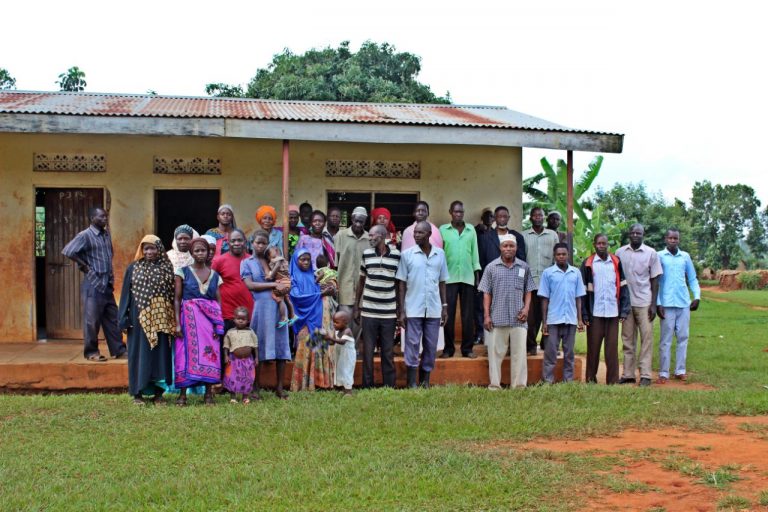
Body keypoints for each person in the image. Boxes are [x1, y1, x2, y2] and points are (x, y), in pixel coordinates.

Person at [61, 206, 127, 361]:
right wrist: (83, 265)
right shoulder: (85, 235)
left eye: (106, 216)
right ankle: (91, 352)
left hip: (106, 283)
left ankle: (119, 350)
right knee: (92, 321)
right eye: (101, 217)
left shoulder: (106, 235)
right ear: (92, 218)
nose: (105, 219)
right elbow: (68, 251)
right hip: (93, 284)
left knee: (113, 319)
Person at [118, 235, 175, 405]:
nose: (149, 252)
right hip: (138, 319)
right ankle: (137, 394)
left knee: (160, 356)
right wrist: (123, 318)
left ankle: (158, 394)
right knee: (139, 355)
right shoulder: (133, 268)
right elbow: (125, 295)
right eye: (146, 248)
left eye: (153, 248)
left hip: (161, 319)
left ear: (160, 249)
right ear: (141, 250)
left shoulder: (167, 268)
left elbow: (172, 296)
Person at [396, 221, 449, 389]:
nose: (415, 235)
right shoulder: (407, 255)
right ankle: (411, 382)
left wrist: (445, 306)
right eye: (415, 232)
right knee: (412, 344)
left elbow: (442, 282)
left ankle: (425, 381)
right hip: (413, 308)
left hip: (433, 308)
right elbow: (402, 284)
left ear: (428, 234)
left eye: (420, 233)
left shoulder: (440, 254)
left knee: (431, 345)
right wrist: (402, 310)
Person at [173, 237, 224, 406]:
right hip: (188, 320)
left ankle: (208, 395)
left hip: (209, 323)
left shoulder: (215, 275)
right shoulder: (182, 272)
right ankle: (182, 395)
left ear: (209, 252)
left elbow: (218, 301)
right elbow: (177, 299)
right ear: (191, 253)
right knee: (184, 355)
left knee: (210, 354)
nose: (200, 253)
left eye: (203, 250)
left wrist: (219, 322)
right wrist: (177, 323)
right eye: (197, 251)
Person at [479, 235, 534, 389]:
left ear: (516, 248)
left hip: (519, 319)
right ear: (500, 248)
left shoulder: (524, 267)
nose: (508, 249)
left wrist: (526, 308)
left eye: (511, 246)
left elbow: (528, 290)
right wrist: (487, 315)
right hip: (497, 318)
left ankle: (518, 386)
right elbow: (486, 293)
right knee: (495, 355)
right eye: (505, 246)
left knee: (519, 355)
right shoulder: (491, 268)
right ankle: (495, 386)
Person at [241, 230, 292, 399]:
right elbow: (250, 285)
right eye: (258, 242)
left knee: (281, 345)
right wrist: (273, 286)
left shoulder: (274, 258)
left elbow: (285, 277)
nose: (261, 246)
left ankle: (279, 387)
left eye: (264, 243)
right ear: (252, 243)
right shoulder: (246, 262)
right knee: (259, 345)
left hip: (279, 306)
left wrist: (281, 287)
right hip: (261, 308)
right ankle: (256, 387)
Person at [616, 223, 663, 387]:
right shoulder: (620, 252)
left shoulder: (651, 253)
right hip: (627, 304)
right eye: (633, 232)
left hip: (645, 302)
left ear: (643, 235)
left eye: (639, 233)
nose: (635, 235)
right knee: (627, 340)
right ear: (629, 234)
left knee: (646, 339)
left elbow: (655, 279)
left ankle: (645, 375)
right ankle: (628, 374)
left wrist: (654, 304)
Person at [580, 234, 631, 385]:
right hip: (594, 313)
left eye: (604, 243)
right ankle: (590, 379)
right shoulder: (588, 263)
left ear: (608, 245)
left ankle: (612, 381)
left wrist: (623, 310)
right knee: (593, 348)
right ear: (594, 245)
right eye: (599, 243)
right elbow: (582, 291)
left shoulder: (615, 262)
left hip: (613, 312)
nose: (602, 246)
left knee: (611, 349)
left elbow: (623, 287)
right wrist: (584, 313)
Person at [354, 224, 401, 388]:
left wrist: (399, 311)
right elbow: (361, 282)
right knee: (368, 351)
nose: (370, 238)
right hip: (369, 311)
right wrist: (356, 307)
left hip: (388, 313)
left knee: (387, 352)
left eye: (373, 236)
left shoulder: (396, 255)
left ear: (382, 236)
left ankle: (389, 386)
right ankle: (367, 386)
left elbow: (399, 284)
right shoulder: (366, 254)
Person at [477, 206, 526, 346]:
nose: (502, 219)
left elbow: (522, 260)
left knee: (512, 309)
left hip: (512, 281)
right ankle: (490, 343)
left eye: (505, 216)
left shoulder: (517, 237)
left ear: (509, 218)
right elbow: (481, 260)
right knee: (490, 310)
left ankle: (511, 343)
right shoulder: (486, 237)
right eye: (499, 216)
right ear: (494, 219)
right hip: (492, 280)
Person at [656, 229, 701, 384]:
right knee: (666, 340)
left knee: (683, 337)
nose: (673, 240)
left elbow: (693, 278)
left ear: (679, 240)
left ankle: (680, 370)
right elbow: (655, 281)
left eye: (676, 238)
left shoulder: (685, 257)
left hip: (683, 304)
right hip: (666, 304)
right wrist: (658, 303)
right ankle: (663, 372)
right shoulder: (659, 256)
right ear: (666, 239)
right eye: (670, 238)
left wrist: (697, 297)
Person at [538, 243, 586, 383]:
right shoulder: (548, 273)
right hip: (553, 319)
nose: (561, 256)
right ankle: (547, 381)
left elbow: (578, 298)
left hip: (570, 319)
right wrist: (544, 321)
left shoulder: (575, 273)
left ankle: (568, 381)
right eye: (558, 254)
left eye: (563, 254)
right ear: (554, 256)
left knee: (569, 353)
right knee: (550, 353)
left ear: (568, 255)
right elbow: (545, 299)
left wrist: (580, 319)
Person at [439, 200, 481, 359]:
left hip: (467, 277)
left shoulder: (471, 230)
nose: (458, 214)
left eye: (461, 212)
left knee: (468, 315)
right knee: (447, 314)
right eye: (456, 211)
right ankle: (448, 349)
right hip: (448, 278)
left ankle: (467, 349)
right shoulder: (443, 230)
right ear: (450, 212)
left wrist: (477, 276)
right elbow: (440, 253)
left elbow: (475, 254)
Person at [290, 249, 336, 391]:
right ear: (295, 261)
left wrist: (330, 289)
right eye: (302, 259)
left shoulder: (313, 275)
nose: (305, 262)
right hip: (304, 319)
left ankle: (319, 383)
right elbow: (298, 299)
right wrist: (322, 293)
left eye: (308, 260)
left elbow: (325, 288)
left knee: (317, 349)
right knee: (305, 349)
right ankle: (303, 384)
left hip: (317, 316)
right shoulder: (293, 278)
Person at [522, 207, 559, 355]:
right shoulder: (524, 235)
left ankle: (548, 346)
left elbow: (557, 257)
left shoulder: (552, 235)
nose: (538, 217)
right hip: (530, 283)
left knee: (549, 316)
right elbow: (521, 258)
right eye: (535, 215)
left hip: (548, 283)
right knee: (531, 318)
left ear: (544, 218)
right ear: (530, 217)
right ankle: (531, 346)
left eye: (540, 215)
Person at [334, 206, 370, 349]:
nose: (358, 224)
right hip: (345, 288)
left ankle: (352, 353)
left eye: (361, 222)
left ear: (365, 222)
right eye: (356, 221)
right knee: (343, 321)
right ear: (351, 219)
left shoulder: (369, 238)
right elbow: (335, 263)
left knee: (359, 324)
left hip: (364, 290)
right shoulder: (340, 236)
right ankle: (341, 353)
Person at [211, 228, 254, 332]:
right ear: (228, 242)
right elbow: (210, 284)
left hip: (250, 314)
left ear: (245, 241)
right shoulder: (219, 261)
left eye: (240, 240)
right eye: (233, 241)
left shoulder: (252, 260)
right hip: (228, 314)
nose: (237, 243)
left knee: (249, 347)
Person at [222, 306, 258, 404]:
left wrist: (256, 358)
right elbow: (226, 345)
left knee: (248, 378)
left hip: (248, 360)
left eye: (243, 319)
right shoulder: (230, 332)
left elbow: (255, 345)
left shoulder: (251, 332)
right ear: (234, 319)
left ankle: (245, 397)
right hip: (234, 360)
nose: (241, 321)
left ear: (248, 320)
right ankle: (233, 397)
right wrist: (226, 356)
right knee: (233, 377)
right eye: (238, 319)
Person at [323, 310, 356, 396]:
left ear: (345, 322)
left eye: (336, 322)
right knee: (340, 370)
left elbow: (342, 342)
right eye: (333, 322)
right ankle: (343, 388)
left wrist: (330, 337)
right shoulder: (337, 331)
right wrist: (326, 340)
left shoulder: (347, 331)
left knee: (347, 371)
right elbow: (333, 343)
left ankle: (349, 391)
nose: (334, 324)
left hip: (348, 356)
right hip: (340, 355)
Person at [265, 246, 295, 326]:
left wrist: (271, 276)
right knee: (287, 299)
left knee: (279, 298)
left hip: (282, 282)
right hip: (287, 282)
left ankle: (284, 317)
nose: (275, 250)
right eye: (273, 250)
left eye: (276, 249)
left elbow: (277, 267)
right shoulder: (282, 260)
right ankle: (293, 315)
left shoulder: (278, 259)